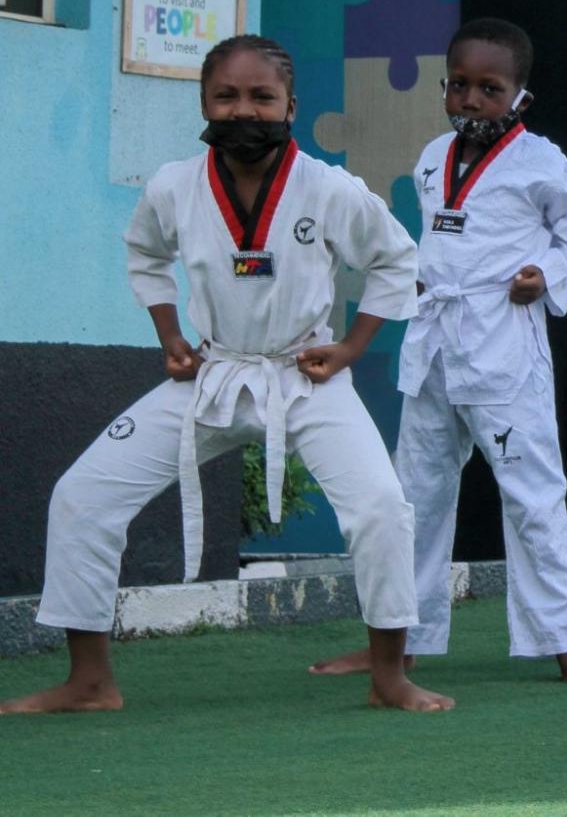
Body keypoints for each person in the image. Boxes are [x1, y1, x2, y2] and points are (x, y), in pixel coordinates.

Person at [1, 36, 451, 714]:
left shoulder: (329, 189)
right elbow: (145, 255)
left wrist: (352, 347)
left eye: (261, 97)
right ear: (204, 102)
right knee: (82, 494)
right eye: (227, 96)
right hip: (210, 375)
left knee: (382, 508)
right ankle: (90, 680)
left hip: (306, 378)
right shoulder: (174, 186)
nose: (244, 111)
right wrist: (170, 336)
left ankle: (390, 672)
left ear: (291, 106)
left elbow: (395, 260)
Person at [307, 18, 567, 685]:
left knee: (532, 492)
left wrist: (545, 276)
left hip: (504, 343)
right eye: (460, 85)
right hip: (436, 342)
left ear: (519, 96)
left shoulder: (541, 162)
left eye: (490, 88)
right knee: (411, 495)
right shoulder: (429, 158)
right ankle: (400, 639)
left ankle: (566, 641)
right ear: (445, 85)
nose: (471, 100)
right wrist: (416, 276)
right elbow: (438, 241)